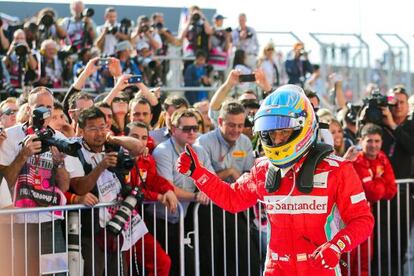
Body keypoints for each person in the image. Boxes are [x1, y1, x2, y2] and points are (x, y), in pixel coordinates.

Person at [176, 84, 374, 275]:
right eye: (271, 132)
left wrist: (337, 245)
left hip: (318, 267)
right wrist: (198, 173)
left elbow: (363, 220)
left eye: (284, 131)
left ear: (302, 127)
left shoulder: (337, 169)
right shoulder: (263, 168)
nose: (277, 139)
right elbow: (232, 199)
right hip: (276, 268)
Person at [0, 86, 77, 276]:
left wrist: (59, 163)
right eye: (39, 107)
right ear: (28, 108)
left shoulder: (58, 138)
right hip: (18, 222)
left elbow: (65, 186)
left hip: (50, 220)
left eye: (48, 107)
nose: (44, 112)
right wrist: (23, 154)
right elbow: (4, 181)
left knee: (56, 274)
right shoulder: (11, 136)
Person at [69, 106, 144, 276]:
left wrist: (112, 138)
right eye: (93, 128)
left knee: (119, 272)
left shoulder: (111, 145)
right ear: (81, 131)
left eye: (102, 127)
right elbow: (80, 187)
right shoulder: (74, 151)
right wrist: (101, 166)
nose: (99, 133)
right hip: (92, 230)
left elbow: (138, 147)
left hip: (118, 224)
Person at [150, 109, 212, 275]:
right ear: (173, 129)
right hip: (157, 219)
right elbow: (167, 187)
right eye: (186, 129)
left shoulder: (199, 151)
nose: (192, 132)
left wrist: (205, 191)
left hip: (181, 218)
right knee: (167, 266)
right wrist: (195, 196)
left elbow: (211, 181)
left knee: (186, 266)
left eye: (195, 127)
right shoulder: (163, 151)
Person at [346, 123, 397, 276]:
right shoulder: (357, 160)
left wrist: (375, 181)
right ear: (361, 141)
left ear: (382, 142)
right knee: (349, 262)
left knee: (364, 262)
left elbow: (391, 191)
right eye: (369, 141)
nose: (373, 145)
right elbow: (373, 193)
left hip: (366, 220)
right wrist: (380, 179)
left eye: (377, 141)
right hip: (349, 219)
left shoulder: (382, 157)